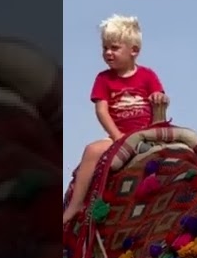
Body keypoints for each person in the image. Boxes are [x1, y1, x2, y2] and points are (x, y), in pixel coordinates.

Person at [62, 15, 168, 226]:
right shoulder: (104, 79)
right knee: (92, 150)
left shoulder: (148, 76)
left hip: (146, 134)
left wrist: (160, 101)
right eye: (105, 48)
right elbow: (102, 111)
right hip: (117, 135)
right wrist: (118, 137)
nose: (108, 53)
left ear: (133, 50)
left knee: (187, 149)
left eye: (114, 47)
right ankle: (76, 204)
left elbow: (159, 107)